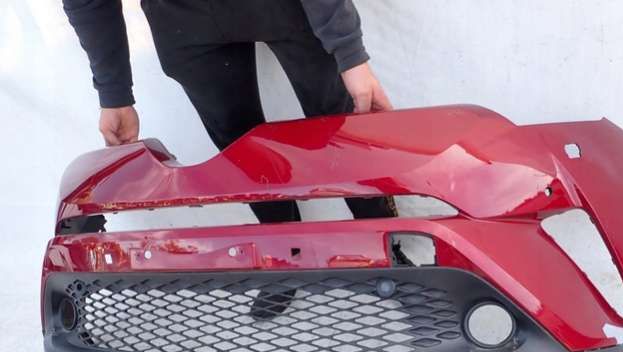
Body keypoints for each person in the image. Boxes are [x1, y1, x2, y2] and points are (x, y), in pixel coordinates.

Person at [62, 0, 397, 224]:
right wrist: (114, 94)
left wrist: (349, 52)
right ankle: (285, 246)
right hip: (183, 23)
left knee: (336, 125)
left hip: (283, 9)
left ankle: (382, 232)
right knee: (239, 146)